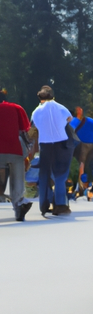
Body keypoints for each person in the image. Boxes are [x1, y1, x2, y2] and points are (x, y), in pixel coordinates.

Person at [31, 85, 74, 216]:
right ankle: (60, 205)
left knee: (44, 174)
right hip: (61, 143)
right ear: (53, 96)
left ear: (40, 98)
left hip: (45, 144)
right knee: (60, 174)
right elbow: (69, 119)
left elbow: (32, 126)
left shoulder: (36, 111)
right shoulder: (61, 107)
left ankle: (44, 205)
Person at [0, 88, 33, 221]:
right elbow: (24, 131)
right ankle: (19, 203)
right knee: (17, 177)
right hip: (15, 150)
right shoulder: (16, 108)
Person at [70, 106, 93, 196]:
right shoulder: (89, 120)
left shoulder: (73, 121)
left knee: (82, 163)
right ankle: (91, 182)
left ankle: (81, 186)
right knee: (90, 164)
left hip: (86, 143)